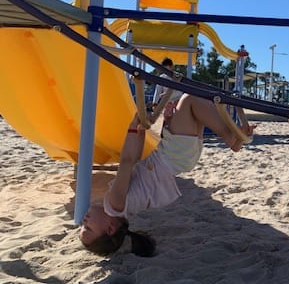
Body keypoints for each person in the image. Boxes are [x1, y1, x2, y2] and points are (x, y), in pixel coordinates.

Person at [79, 94, 256, 257]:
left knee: (195, 108)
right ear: (110, 229)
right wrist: (132, 129)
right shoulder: (113, 204)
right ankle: (231, 138)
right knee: (190, 100)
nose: (84, 220)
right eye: (88, 227)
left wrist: (140, 131)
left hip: (181, 160)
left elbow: (135, 163)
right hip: (171, 156)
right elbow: (126, 161)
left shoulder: (124, 207)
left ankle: (233, 137)